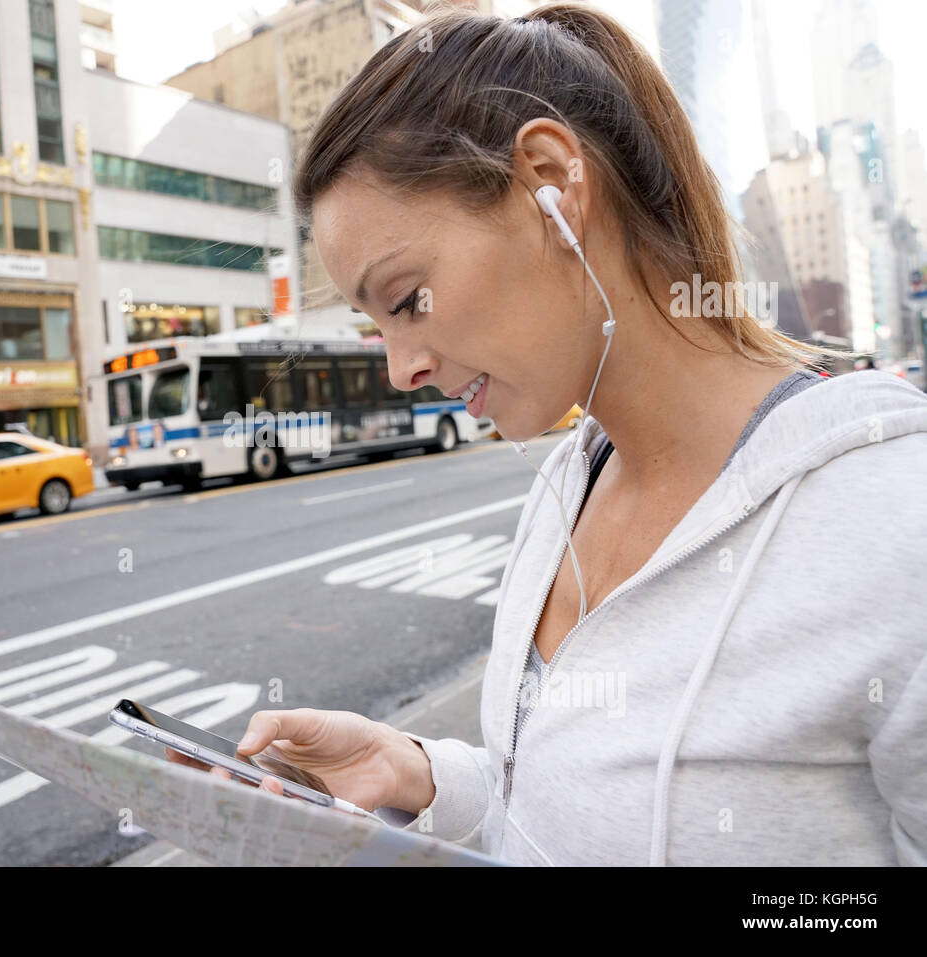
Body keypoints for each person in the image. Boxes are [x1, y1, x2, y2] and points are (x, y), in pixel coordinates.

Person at [167, 3, 927, 865]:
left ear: (549, 178)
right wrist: (418, 773)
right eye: (374, 326)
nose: (399, 369)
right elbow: (566, 806)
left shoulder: (896, 520)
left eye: (407, 298)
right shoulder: (564, 491)